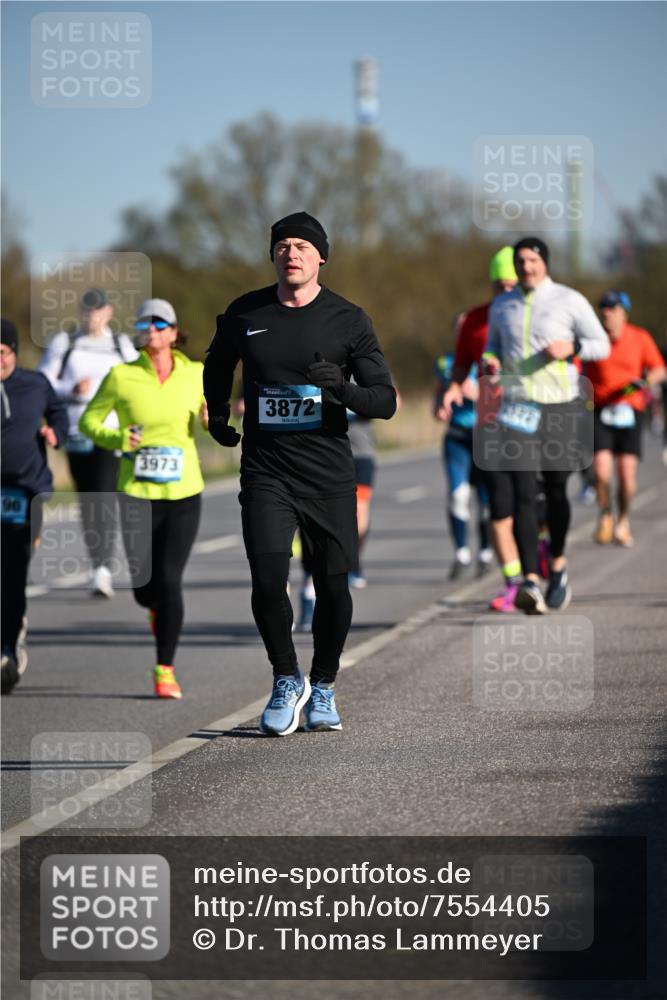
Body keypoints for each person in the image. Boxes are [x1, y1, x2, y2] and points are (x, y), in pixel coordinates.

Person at [204, 211, 396, 736]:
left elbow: (385, 401)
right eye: (283, 246)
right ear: (273, 255)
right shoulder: (246, 312)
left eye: (302, 246)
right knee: (268, 578)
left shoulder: (348, 319)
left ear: (321, 257)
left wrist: (342, 388)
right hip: (266, 470)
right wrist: (217, 415)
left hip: (328, 474)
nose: (292, 254)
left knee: (332, 586)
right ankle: (286, 678)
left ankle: (324, 685)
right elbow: (217, 363)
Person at [80, 299, 207, 698]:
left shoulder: (197, 374)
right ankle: (155, 608)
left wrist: (212, 420)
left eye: (160, 323)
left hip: (184, 491)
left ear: (174, 332)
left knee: (170, 579)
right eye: (144, 323)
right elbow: (89, 421)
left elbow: (218, 420)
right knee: (144, 588)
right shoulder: (122, 376)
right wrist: (119, 438)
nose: (151, 328)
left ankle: (164, 669)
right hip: (136, 493)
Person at [481, 237, 610, 614]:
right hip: (517, 407)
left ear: (545, 263)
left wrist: (572, 348)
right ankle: (530, 581)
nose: (526, 267)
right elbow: (492, 346)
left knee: (555, 489)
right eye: (521, 261)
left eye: (533, 261)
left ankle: (557, 565)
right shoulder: (502, 305)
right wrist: (491, 361)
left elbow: (601, 343)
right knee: (524, 493)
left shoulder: (568, 300)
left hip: (559, 406)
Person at [39, 288, 138, 598]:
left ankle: (103, 570)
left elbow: (139, 379)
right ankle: (98, 564)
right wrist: (71, 388)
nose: (92, 316)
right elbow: (43, 382)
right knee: (88, 498)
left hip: (112, 432)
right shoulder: (65, 342)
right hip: (77, 431)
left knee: (104, 494)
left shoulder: (120, 344)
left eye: (98, 310)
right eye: (87, 310)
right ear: (81, 312)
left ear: (108, 312)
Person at [439, 246, 521, 610]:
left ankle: (512, 559)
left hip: (515, 427)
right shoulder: (469, 335)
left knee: (514, 504)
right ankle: (474, 558)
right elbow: (452, 379)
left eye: (512, 285)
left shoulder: (527, 324)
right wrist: (450, 394)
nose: (506, 292)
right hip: (468, 434)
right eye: (500, 285)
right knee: (476, 500)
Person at [1, 319, 68, 693]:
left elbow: (58, 412)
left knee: (13, 570)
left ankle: (8, 645)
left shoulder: (35, 384)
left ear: (13, 352)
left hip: (27, 492)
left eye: (2, 353)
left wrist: (56, 431)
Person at [586, 290, 665, 547]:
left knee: (627, 476)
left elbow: (659, 368)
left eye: (612, 309)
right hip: (600, 410)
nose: (606, 314)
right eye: (603, 309)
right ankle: (606, 514)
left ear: (624, 313)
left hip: (630, 410)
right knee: (601, 470)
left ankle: (623, 520)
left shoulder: (639, 337)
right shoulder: (593, 340)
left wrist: (646, 380)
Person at [434, 352, 492, 579]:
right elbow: (438, 395)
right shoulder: (445, 362)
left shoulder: (492, 358)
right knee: (458, 495)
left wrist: (478, 394)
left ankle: (485, 552)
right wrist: (439, 408)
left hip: (486, 435)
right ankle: (461, 553)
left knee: (486, 501)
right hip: (457, 436)